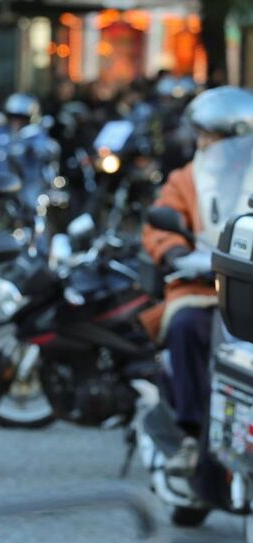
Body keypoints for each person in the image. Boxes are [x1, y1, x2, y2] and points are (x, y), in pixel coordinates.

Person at [140, 86, 253, 476]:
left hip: (248, 289)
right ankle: (190, 434)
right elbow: (160, 222)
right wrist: (174, 252)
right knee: (187, 328)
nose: (202, 144)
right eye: (201, 135)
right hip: (201, 289)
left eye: (211, 137)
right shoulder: (185, 178)